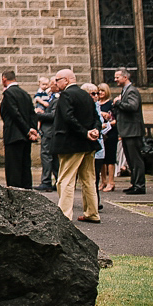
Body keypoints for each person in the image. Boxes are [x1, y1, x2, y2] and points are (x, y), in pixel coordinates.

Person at [53, 68, 101, 223]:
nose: (56, 83)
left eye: (58, 79)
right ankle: (92, 213)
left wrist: (84, 132)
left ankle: (64, 214)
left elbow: (68, 117)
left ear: (66, 80)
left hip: (72, 144)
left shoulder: (66, 95)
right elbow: (95, 117)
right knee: (88, 179)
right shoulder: (86, 95)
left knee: (65, 179)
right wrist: (95, 130)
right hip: (88, 144)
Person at [0, 69, 38, 189]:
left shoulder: (9, 93)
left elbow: (15, 114)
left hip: (14, 136)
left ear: (4, 79)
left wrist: (27, 130)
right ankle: (27, 192)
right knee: (25, 167)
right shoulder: (25, 94)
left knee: (13, 169)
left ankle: (14, 195)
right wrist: (32, 130)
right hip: (26, 138)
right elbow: (32, 114)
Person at [114, 68, 145, 194]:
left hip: (132, 131)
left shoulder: (132, 91)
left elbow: (133, 106)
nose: (115, 79)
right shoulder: (125, 90)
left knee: (135, 160)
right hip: (126, 131)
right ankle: (134, 183)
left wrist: (118, 102)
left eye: (117, 77)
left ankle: (139, 185)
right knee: (130, 160)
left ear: (125, 77)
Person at [33, 76, 58, 191]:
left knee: (47, 156)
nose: (49, 86)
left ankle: (47, 181)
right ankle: (56, 180)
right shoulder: (49, 97)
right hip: (47, 131)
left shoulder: (56, 99)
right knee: (51, 157)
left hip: (50, 131)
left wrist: (37, 114)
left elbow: (53, 115)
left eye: (52, 83)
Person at [96, 83, 117, 193]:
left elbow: (116, 119)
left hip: (110, 133)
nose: (100, 93)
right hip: (101, 133)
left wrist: (108, 119)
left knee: (110, 158)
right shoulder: (97, 104)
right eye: (99, 91)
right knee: (101, 159)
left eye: (102, 91)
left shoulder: (111, 104)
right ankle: (103, 181)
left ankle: (111, 182)